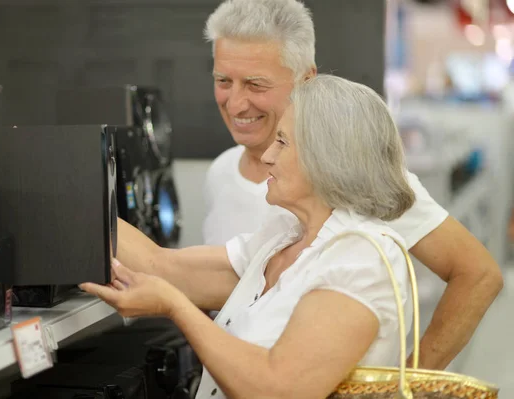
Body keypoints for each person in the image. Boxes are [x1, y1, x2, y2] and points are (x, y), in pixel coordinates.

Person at [201, 0, 503, 370]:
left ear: (306, 81)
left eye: (255, 84)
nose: (234, 103)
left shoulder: (361, 182)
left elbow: (478, 274)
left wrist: (411, 381)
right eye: (223, 81)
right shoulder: (220, 173)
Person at [81, 75, 416, 399]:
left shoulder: (361, 257)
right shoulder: (284, 238)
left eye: (282, 141)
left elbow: (276, 390)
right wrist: (72, 200)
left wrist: (176, 308)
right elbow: (163, 267)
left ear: (327, 158)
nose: (268, 155)